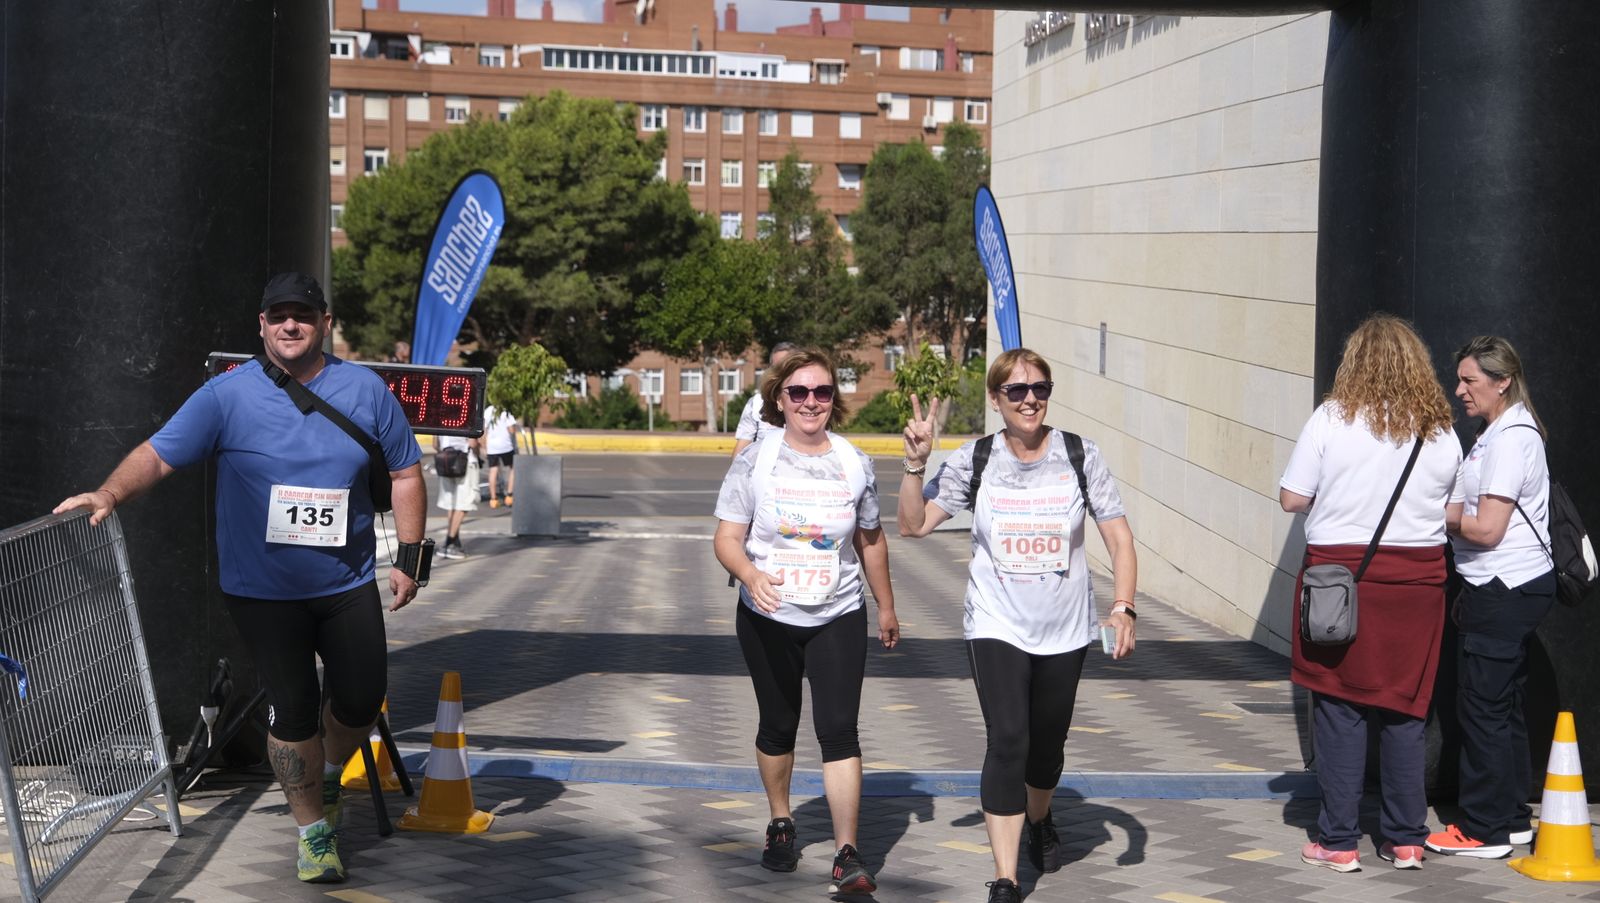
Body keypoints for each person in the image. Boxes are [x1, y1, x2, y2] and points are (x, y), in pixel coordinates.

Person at [54, 272, 426, 884]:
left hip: (346, 583)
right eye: (277, 314)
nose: (289, 324)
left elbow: (407, 473)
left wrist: (410, 559)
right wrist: (109, 491)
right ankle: (312, 833)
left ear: (324, 323)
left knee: (360, 700)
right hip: (263, 592)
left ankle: (327, 775)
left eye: (302, 315)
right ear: (260, 325)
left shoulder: (364, 388)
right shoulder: (227, 395)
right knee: (294, 709)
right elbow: (158, 452)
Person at [897, 347, 1137, 903]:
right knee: (1008, 740)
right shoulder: (976, 459)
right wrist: (916, 464)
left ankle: (1040, 816)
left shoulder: (1079, 455)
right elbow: (913, 526)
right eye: (1017, 391)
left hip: (1066, 628)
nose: (1030, 399)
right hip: (995, 622)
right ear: (996, 399)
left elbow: (1120, 539)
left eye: (1040, 389)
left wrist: (1123, 608)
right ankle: (1005, 877)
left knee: (1046, 748)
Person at [1277, 314, 1463, 873]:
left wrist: (1339, 502)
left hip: (1341, 579)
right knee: (1407, 709)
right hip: (1419, 584)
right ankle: (1405, 838)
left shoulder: (1333, 418)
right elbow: (1450, 513)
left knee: (1338, 706)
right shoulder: (1441, 429)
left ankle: (1337, 842)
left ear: (1354, 361)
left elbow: (1291, 497)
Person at [713, 348, 899, 896]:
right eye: (799, 392)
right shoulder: (754, 459)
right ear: (779, 399)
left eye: (821, 392)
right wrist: (750, 575)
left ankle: (847, 853)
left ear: (833, 400)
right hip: (768, 614)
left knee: (839, 731)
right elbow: (726, 537)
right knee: (778, 723)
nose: (811, 402)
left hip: (838, 611)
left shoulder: (853, 460)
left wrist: (885, 605)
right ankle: (780, 821)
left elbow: (870, 538)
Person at [1425, 335, 1553, 860]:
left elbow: (1487, 529)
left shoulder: (1507, 440)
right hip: (1511, 587)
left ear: (1502, 382)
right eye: (1459, 379)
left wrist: (1439, 515)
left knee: (1482, 710)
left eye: (1469, 380)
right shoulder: (1503, 430)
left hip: (1501, 586)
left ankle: (1483, 830)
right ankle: (1511, 818)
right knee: (1503, 708)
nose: (1458, 391)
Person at [731, 342, 796, 457]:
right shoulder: (756, 404)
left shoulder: (812, 401)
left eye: (788, 366)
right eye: (777, 367)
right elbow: (740, 453)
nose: (782, 372)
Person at [436, 432, 480, 558]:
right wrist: (477, 452)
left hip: (446, 460)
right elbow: (472, 443)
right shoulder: (468, 414)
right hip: (465, 460)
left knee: (452, 504)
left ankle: (455, 542)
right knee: (465, 503)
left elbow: (435, 444)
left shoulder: (440, 415)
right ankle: (449, 543)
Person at [482, 403, 518, 508]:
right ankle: (509, 496)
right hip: (506, 445)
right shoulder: (505, 411)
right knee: (512, 468)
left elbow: (484, 430)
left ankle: (493, 499)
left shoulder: (488, 411)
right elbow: (511, 430)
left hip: (492, 446)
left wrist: (484, 446)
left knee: (493, 471)